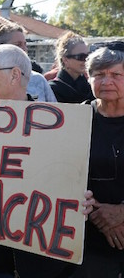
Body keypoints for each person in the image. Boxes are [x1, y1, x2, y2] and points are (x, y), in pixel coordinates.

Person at [0, 44, 91, 278]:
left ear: (15, 76)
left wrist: (79, 197)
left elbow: (68, 178)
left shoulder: (57, 128)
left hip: (31, 258)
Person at [75, 41, 124, 277]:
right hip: (88, 241)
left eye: (116, 74)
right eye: (99, 75)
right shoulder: (74, 119)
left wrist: (121, 213)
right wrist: (99, 215)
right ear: (88, 77)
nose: (106, 82)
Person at [0, 22, 57, 102]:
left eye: (25, 44)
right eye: (18, 45)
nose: (24, 49)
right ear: (0, 48)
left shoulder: (39, 80)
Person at [49, 32, 94, 103]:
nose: (86, 61)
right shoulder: (52, 89)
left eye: (88, 56)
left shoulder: (90, 88)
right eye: (81, 57)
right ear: (65, 60)